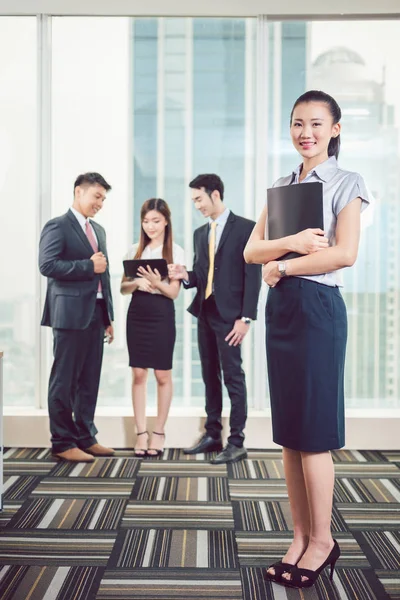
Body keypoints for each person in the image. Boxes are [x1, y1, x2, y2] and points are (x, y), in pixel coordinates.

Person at [244, 90, 371, 589]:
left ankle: (324, 541)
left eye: (317, 124)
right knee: (290, 434)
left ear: (335, 129)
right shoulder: (281, 185)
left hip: (318, 309)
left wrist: (285, 263)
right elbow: (252, 250)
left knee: (314, 433)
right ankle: (300, 536)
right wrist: (290, 245)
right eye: (298, 123)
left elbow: (344, 254)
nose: (306, 133)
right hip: (282, 309)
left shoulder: (347, 183)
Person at [169, 174, 261, 464]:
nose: (196, 205)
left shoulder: (246, 229)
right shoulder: (200, 234)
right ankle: (212, 435)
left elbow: (252, 276)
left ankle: (237, 441)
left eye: (199, 199)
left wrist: (245, 318)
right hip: (205, 312)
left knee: (234, 376)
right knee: (209, 375)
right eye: (194, 200)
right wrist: (186, 276)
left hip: (231, 316)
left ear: (216, 195)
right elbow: (202, 276)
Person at [39, 172, 115, 463]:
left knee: (89, 379)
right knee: (64, 380)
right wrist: (87, 265)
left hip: (96, 313)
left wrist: (108, 316)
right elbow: (47, 264)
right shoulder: (57, 226)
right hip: (69, 314)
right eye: (96, 196)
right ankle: (62, 441)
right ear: (78, 192)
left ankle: (85, 436)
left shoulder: (99, 230)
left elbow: (104, 274)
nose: (100, 203)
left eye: (103, 199)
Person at [121, 198, 184, 457]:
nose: (151, 226)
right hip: (137, 313)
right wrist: (137, 283)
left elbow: (173, 293)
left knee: (162, 375)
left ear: (166, 221)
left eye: (156, 221)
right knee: (138, 374)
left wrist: (156, 283)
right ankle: (140, 433)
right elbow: (123, 288)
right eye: (146, 221)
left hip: (161, 315)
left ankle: (158, 432)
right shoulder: (134, 250)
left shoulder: (175, 252)